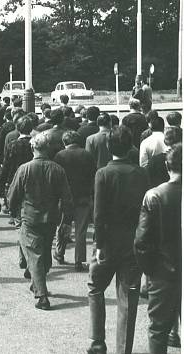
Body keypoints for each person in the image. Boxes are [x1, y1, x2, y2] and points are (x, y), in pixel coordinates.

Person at [87, 126, 149, 354]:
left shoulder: (103, 174)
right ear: (130, 145)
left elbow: (99, 214)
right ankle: (124, 349)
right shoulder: (141, 173)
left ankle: (97, 341)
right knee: (128, 299)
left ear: (108, 146)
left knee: (95, 288)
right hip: (133, 243)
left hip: (108, 242)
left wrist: (99, 245)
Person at [7, 132, 73, 310]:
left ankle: (42, 295)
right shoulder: (57, 169)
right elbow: (67, 198)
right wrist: (67, 219)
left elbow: (13, 195)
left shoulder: (25, 169)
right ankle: (38, 282)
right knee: (44, 251)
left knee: (35, 254)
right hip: (51, 217)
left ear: (33, 148)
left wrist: (13, 212)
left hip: (30, 216)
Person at [134, 144, 181, 354]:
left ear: (166, 166)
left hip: (163, 271)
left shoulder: (154, 195)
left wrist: (149, 270)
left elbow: (142, 241)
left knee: (158, 329)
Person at [52, 131, 96, 272]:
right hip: (83, 196)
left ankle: (60, 252)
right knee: (80, 230)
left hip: (65, 197)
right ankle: (79, 260)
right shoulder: (87, 155)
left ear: (65, 142)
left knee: (63, 226)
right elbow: (93, 175)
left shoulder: (59, 156)